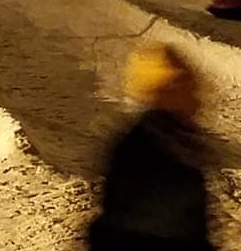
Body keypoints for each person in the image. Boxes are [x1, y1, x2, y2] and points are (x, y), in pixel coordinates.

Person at [88, 42, 215, 250]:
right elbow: (153, 228)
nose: (197, 96)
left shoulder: (179, 140)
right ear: (161, 93)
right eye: (183, 86)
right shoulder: (143, 150)